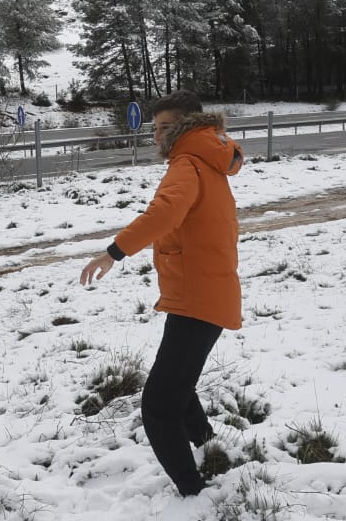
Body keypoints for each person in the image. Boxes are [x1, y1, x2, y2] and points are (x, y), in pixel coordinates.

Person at [79, 91, 246, 497]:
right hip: (204, 291)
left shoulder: (187, 163)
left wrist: (113, 252)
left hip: (198, 297)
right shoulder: (206, 161)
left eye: (165, 128)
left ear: (188, 125)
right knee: (177, 384)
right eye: (154, 128)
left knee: (158, 406)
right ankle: (209, 448)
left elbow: (166, 212)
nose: (157, 136)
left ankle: (193, 493)